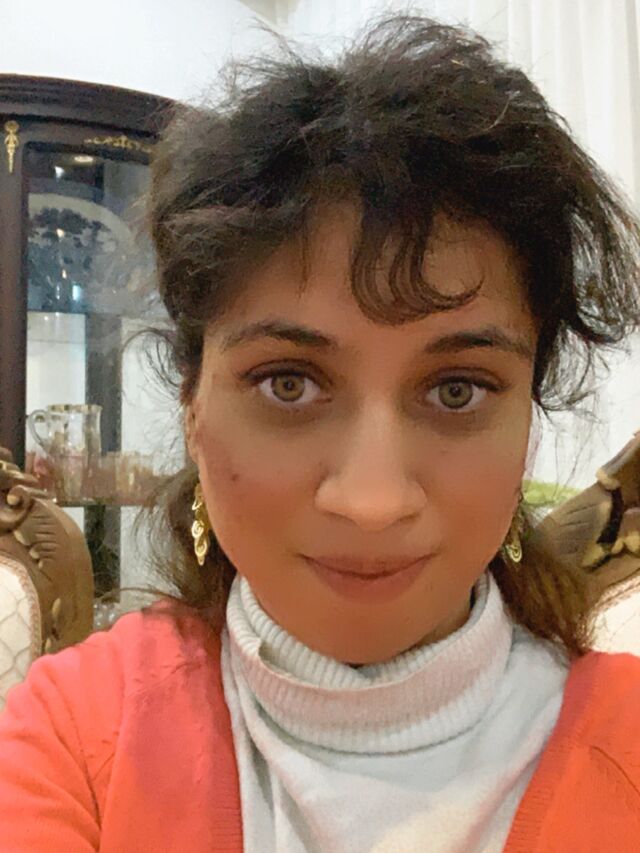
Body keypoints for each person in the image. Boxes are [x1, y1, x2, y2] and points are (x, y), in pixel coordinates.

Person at [1, 14, 640, 852]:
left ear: (528, 418)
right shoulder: (74, 741)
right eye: (289, 383)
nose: (372, 501)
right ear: (192, 404)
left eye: (456, 390)